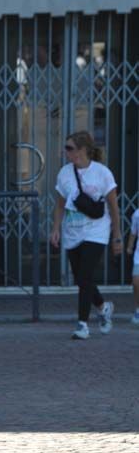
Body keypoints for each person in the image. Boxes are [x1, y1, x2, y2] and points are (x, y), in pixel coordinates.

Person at [50, 130, 123, 340]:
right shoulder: (64, 173)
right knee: (82, 279)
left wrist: (116, 235)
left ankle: (82, 324)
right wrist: (56, 228)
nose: (66, 152)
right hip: (73, 233)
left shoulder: (102, 173)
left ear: (82, 150)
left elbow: (113, 206)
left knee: (84, 276)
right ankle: (103, 307)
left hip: (96, 232)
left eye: (69, 148)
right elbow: (60, 204)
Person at [126, 207, 139, 325]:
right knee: (136, 282)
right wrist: (129, 246)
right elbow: (133, 232)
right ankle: (138, 310)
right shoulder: (137, 214)